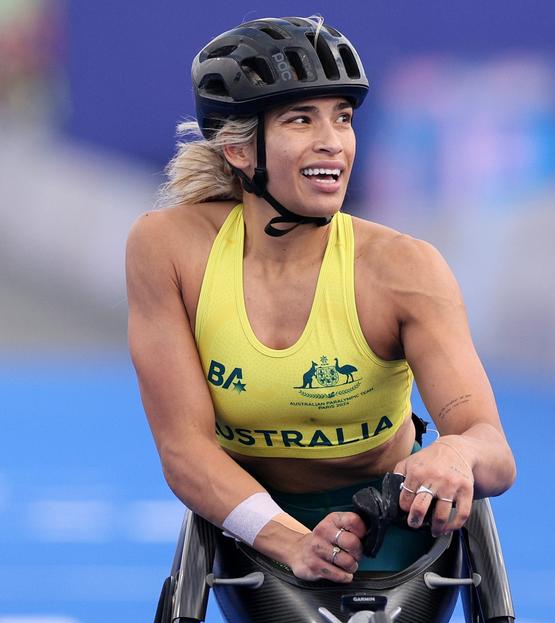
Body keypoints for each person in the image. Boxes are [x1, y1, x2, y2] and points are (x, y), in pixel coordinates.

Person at [126, 15, 516, 583]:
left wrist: (457, 455)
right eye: (301, 119)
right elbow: (184, 450)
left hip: (389, 517)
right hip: (250, 516)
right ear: (239, 148)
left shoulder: (404, 268)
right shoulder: (168, 248)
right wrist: (292, 541)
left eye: (343, 118)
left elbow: (493, 450)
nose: (332, 142)